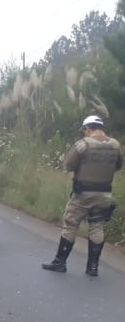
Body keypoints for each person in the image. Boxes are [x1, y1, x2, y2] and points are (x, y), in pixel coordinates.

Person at [42, 115, 121, 276]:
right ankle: (92, 268)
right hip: (104, 194)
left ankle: (60, 262)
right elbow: (118, 165)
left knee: (71, 224)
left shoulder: (83, 144)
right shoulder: (115, 145)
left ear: (88, 128)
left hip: (83, 193)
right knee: (97, 227)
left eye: (84, 130)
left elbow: (69, 165)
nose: (84, 133)